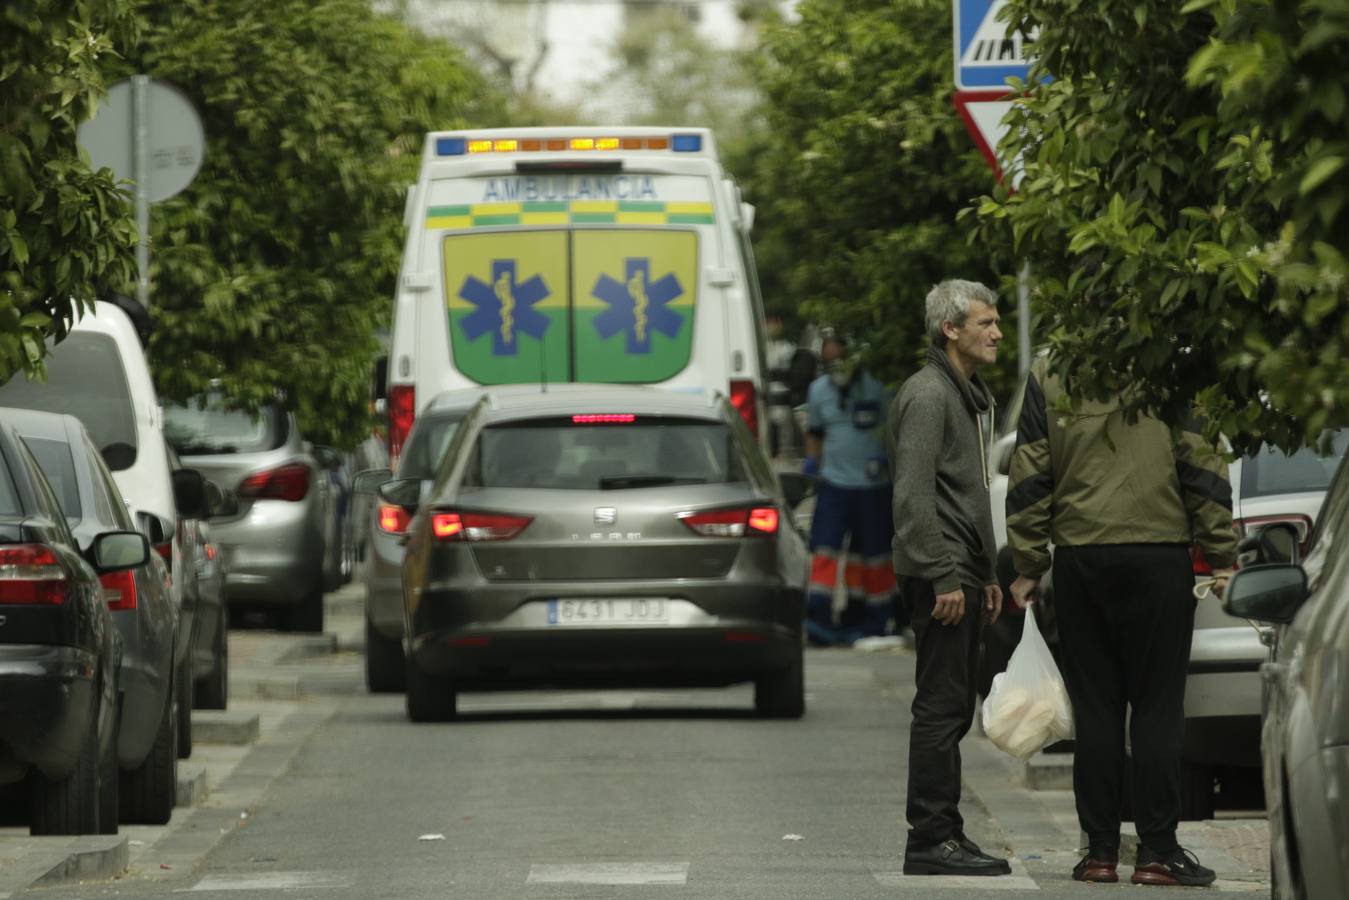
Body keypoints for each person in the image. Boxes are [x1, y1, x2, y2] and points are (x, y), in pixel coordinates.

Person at [1005, 356, 1236, 887]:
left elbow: (1031, 468)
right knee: (1157, 707)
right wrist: (1221, 554)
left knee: (1097, 708)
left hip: (1082, 559)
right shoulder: (1172, 360)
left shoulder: (1051, 367)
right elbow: (1200, 462)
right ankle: (1157, 850)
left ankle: (1100, 854)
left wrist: (1029, 563)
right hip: (1158, 555)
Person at [889, 279, 1010, 877]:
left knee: (955, 705)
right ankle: (931, 838)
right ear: (951, 329)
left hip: (961, 570)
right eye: (986, 323)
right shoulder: (929, 394)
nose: (997, 333)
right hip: (941, 573)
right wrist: (944, 577)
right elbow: (912, 499)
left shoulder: (962, 394)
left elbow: (963, 494)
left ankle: (946, 833)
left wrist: (983, 573)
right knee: (941, 707)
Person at [802, 335, 897, 644]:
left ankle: (877, 617)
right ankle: (819, 617)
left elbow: (893, 427)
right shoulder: (818, 391)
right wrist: (811, 463)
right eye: (830, 363)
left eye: (841, 360)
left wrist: (887, 457)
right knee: (825, 551)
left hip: (873, 486)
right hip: (834, 484)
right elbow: (815, 432)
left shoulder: (877, 385)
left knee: (874, 556)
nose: (836, 368)